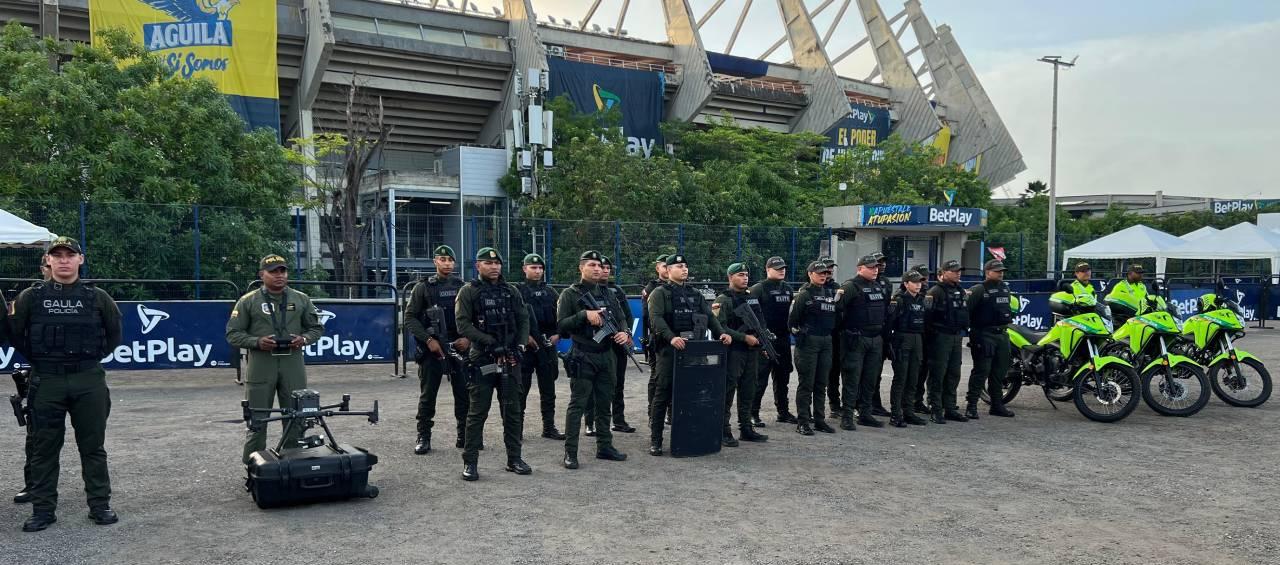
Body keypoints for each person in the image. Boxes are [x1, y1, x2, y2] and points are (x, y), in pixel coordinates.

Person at [11, 237, 122, 531]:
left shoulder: (98, 298)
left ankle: (100, 505)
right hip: (47, 379)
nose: (63, 260)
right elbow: (16, 335)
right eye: (56, 255)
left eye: (69, 255)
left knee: (93, 447)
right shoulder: (30, 297)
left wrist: (87, 360)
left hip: (88, 379)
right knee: (44, 448)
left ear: (80, 260)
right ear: (47, 260)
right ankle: (43, 510)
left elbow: (113, 336)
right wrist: (42, 360)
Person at [228, 254, 325, 465]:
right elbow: (233, 334)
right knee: (257, 419)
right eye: (273, 272)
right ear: (262, 274)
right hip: (262, 364)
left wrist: (305, 338)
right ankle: (254, 468)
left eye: (283, 271)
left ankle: (294, 463)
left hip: (293, 363)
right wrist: (257, 341)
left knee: (296, 417)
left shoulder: (301, 299)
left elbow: (316, 328)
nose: (279, 275)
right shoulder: (248, 301)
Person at [454, 247, 531, 481]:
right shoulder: (468, 292)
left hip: (509, 358)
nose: (494, 267)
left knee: (513, 411)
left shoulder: (511, 291)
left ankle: (514, 458)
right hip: (483, 360)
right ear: (478, 266)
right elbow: (463, 326)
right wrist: (489, 343)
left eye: (497, 263)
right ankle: (470, 462)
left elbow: (523, 318)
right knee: (477, 413)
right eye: (488, 263)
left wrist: (519, 346)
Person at [646, 254, 733, 455]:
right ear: (667, 270)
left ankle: (692, 435)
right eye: (678, 266)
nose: (684, 269)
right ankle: (656, 440)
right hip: (670, 351)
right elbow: (656, 319)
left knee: (694, 394)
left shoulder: (695, 294)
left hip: (694, 349)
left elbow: (710, 317)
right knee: (663, 394)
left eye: (685, 266)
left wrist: (722, 334)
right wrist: (671, 338)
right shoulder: (660, 293)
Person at [557, 251, 630, 469]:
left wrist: (624, 333)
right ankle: (570, 452)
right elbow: (561, 325)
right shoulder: (570, 295)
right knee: (578, 405)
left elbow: (622, 318)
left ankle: (605, 447)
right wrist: (584, 316)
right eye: (592, 264)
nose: (597, 268)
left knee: (604, 403)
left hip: (607, 354)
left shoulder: (609, 293)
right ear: (581, 268)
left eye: (600, 265)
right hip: (583, 354)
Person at [403, 245, 470, 455]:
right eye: (442, 259)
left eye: (450, 260)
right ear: (435, 262)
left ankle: (464, 435)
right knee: (428, 396)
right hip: (432, 349)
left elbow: (474, 316)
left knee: (464, 394)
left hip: (458, 346)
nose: (447, 263)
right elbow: (410, 318)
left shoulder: (462, 287)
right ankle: (423, 436)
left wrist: (467, 338)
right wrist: (428, 339)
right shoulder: (423, 288)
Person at [711, 262, 769, 446]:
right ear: (730, 277)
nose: (745, 278)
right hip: (734, 351)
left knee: (748, 390)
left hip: (752, 352)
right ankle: (723, 430)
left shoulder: (751, 298)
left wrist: (763, 341)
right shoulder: (723, 300)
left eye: (746, 275)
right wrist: (744, 337)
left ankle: (746, 428)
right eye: (740, 275)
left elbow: (760, 321)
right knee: (728, 391)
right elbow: (720, 327)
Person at [514, 253, 565, 440]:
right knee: (521, 389)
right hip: (526, 348)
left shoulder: (551, 292)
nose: (537, 271)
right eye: (533, 267)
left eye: (540, 268)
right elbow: (512, 318)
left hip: (547, 346)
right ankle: (517, 429)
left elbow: (562, 316)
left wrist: (558, 334)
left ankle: (549, 427)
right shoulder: (517, 291)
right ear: (524, 269)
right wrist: (524, 336)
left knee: (548, 389)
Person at [13, 257, 50, 506]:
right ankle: (33, 486)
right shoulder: (30, 296)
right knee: (36, 437)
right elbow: (14, 331)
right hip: (41, 371)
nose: (52, 269)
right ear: (43, 269)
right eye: (48, 266)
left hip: (76, 374)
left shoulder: (83, 297)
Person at [836, 255, 889, 430]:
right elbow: (837, 311)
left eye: (876, 267)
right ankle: (847, 416)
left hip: (875, 339)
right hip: (856, 339)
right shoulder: (850, 286)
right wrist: (846, 332)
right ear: (860, 268)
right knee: (852, 379)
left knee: (870, 379)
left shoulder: (877, 286)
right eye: (871, 267)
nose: (875, 269)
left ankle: (865, 413)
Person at [585, 256, 636, 434]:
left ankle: (619, 420)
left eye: (607, 268)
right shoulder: (586, 291)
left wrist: (627, 334)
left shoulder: (615, 291)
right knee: (592, 386)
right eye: (602, 267)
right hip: (596, 344)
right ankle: (590, 422)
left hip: (617, 343)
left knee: (618, 383)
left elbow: (626, 316)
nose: (605, 270)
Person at [789, 260, 838, 436]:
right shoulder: (804, 295)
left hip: (826, 341)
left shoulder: (830, 293)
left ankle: (819, 420)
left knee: (821, 384)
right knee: (806, 384)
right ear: (810, 274)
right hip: (809, 342)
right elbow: (792, 322)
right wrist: (802, 336)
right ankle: (803, 421)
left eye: (826, 273)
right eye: (820, 273)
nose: (824, 276)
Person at [748, 256, 796, 425]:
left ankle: (783, 412)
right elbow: (750, 315)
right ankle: (752, 414)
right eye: (777, 268)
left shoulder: (788, 289)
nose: (781, 270)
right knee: (760, 379)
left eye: (783, 267)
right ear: (768, 270)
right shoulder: (758, 289)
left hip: (783, 339)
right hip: (764, 340)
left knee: (783, 378)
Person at [965, 260, 1016, 419]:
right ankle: (971, 405)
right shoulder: (979, 290)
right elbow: (966, 311)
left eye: (1002, 270)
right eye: (997, 271)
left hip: (1001, 334)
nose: (1000, 273)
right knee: (981, 371)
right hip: (984, 334)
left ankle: (997, 405)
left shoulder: (1004, 288)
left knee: (999, 372)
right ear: (987, 272)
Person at [924, 260, 970, 424]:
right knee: (938, 373)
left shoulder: (959, 290)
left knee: (953, 373)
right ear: (943, 273)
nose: (958, 273)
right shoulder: (935, 292)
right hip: (940, 337)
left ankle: (950, 407)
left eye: (959, 270)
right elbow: (926, 318)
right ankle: (935, 408)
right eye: (954, 271)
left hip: (956, 336)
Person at [887, 270, 929, 427]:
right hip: (902, 339)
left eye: (920, 282)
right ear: (905, 284)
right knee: (901, 378)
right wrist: (890, 345)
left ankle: (909, 412)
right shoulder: (899, 301)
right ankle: (896, 414)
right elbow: (889, 324)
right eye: (914, 281)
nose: (918, 284)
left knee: (913, 379)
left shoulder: (921, 300)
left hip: (917, 339)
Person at [642, 254, 669, 427]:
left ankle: (673, 414)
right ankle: (653, 414)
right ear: (657, 268)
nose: (667, 268)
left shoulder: (680, 287)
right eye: (664, 265)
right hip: (657, 338)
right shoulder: (651, 288)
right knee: (656, 377)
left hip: (677, 338)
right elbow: (647, 316)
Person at [909, 264, 933, 415]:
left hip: (926, 337)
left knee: (923, 371)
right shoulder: (905, 295)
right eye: (921, 277)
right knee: (911, 373)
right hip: (912, 338)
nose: (925, 280)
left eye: (926, 277)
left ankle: (917, 401)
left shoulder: (927, 295)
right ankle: (908, 403)